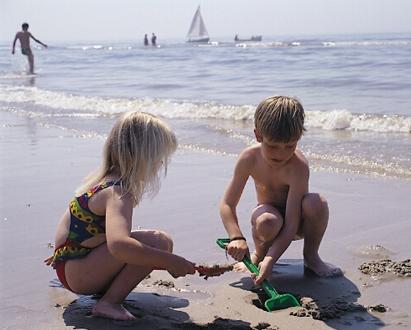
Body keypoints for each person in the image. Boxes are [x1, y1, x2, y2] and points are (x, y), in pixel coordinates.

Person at [44, 111, 196, 320]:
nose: (160, 164)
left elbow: (71, 227)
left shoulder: (101, 182)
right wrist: (170, 260)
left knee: (154, 243)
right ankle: (109, 303)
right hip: (80, 275)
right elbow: (119, 246)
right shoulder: (118, 192)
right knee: (159, 242)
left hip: (70, 268)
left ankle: (107, 295)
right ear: (141, 156)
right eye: (159, 158)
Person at [219, 96, 342, 286]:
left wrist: (272, 259)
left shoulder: (298, 167)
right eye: (273, 146)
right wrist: (236, 237)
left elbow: (292, 225)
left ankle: (311, 256)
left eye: (290, 146)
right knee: (268, 221)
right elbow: (227, 204)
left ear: (299, 137)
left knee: (317, 203)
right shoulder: (249, 158)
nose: (281, 153)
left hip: (297, 223)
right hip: (268, 220)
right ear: (258, 135)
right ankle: (258, 254)